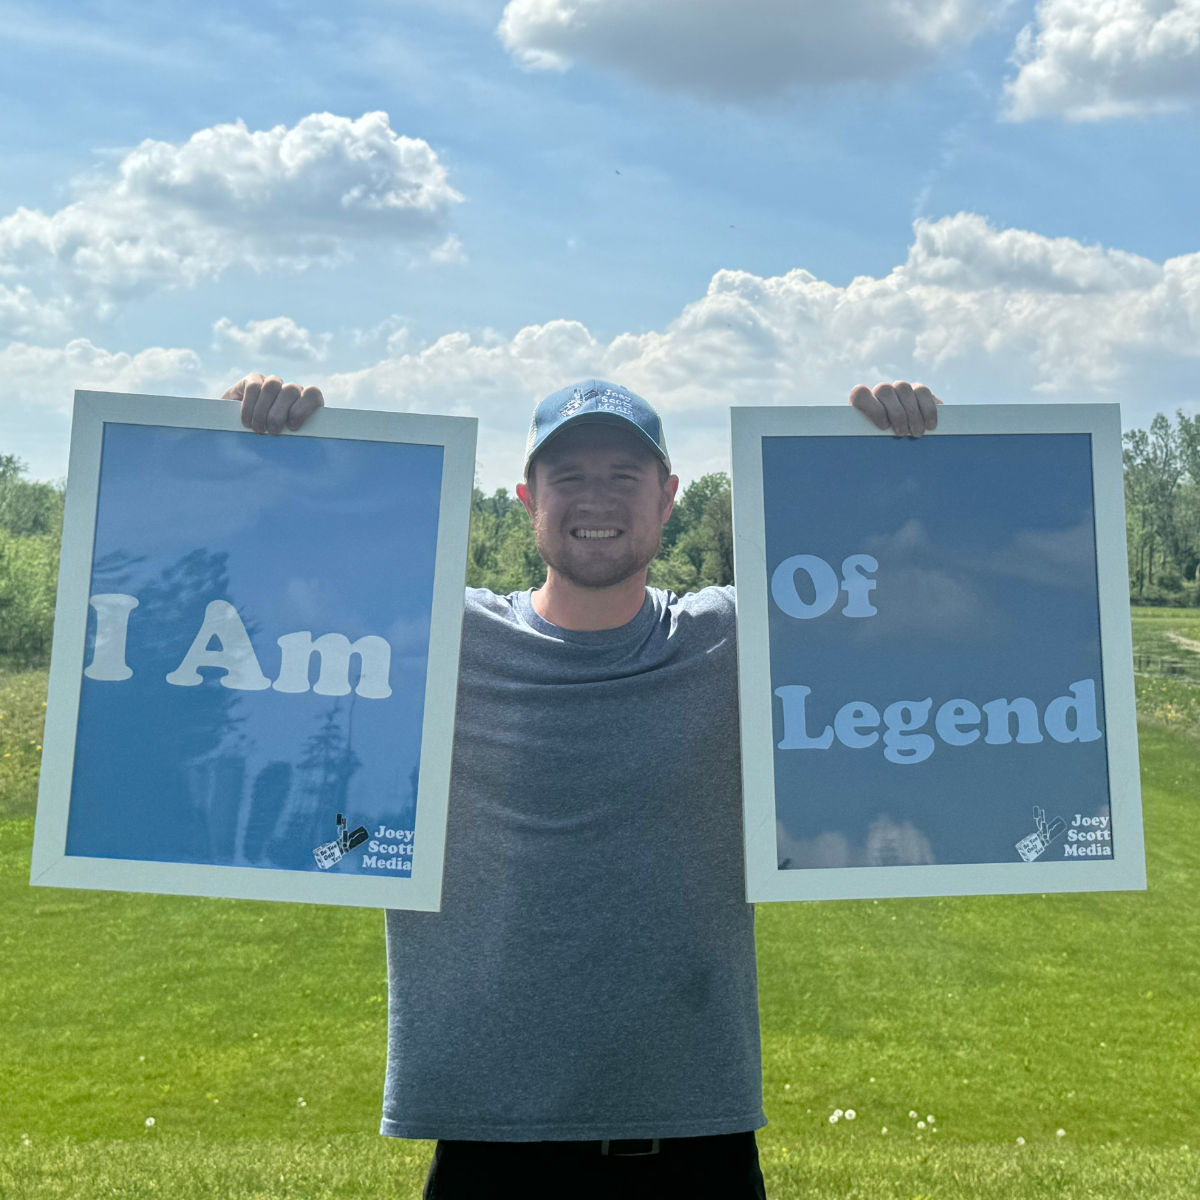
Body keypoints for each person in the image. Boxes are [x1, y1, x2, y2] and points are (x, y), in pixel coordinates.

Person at [223, 373, 941, 1199]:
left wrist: (883, 448)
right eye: (568, 476)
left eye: (623, 475)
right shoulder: (435, 647)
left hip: (696, 1143)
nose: (596, 498)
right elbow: (264, 588)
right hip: (490, 1147)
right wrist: (261, 442)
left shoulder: (732, 643)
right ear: (528, 499)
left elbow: (891, 595)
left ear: (667, 497)